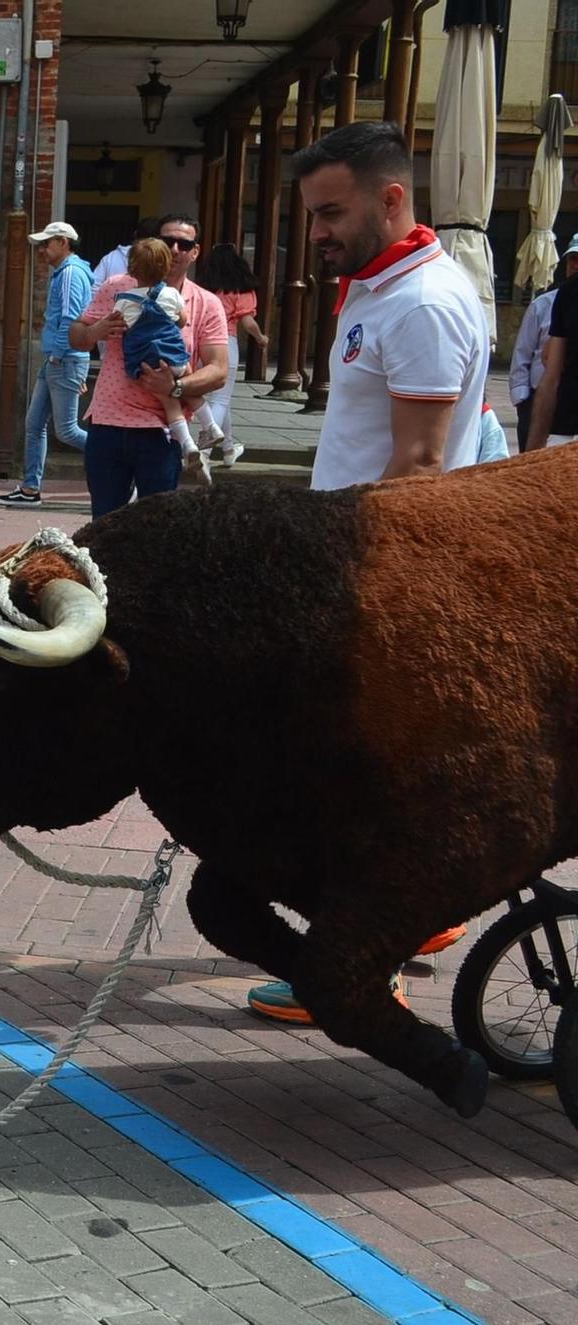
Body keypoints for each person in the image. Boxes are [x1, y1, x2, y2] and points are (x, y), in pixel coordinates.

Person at [249, 119, 484, 1024]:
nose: (317, 233)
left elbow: (420, 465)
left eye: (332, 213)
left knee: (348, 781)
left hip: (376, 572)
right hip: (350, 558)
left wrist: (345, 586)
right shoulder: (379, 286)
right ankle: (392, 936)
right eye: (312, 215)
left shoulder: (421, 303)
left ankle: (362, 968)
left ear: (394, 199)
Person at [66, 213, 230, 518]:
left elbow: (218, 370)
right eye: (169, 241)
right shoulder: (117, 288)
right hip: (109, 424)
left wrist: (176, 386)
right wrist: (95, 331)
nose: (176, 249)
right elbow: (76, 335)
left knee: (155, 527)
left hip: (161, 432)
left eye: (185, 244)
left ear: (196, 251)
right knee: (104, 522)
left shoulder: (206, 303)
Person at [99, 238, 219, 487]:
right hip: (174, 355)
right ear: (165, 268)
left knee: (168, 400)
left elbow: (121, 325)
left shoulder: (124, 300)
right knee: (186, 384)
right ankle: (211, 426)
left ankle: (187, 444)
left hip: (145, 361)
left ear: (132, 270)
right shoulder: (172, 294)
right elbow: (182, 320)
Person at [4, 220, 92, 505]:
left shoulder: (69, 274)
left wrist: (60, 355)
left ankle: (116, 460)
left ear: (63, 242)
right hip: (58, 358)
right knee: (34, 424)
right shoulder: (69, 272)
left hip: (62, 358)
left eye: (47, 243)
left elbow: (70, 316)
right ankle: (30, 488)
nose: (43, 250)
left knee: (66, 430)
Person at [195, 242, 269, 466]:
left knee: (220, 400)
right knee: (221, 399)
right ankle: (204, 452)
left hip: (201, 342)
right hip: (226, 342)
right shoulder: (241, 289)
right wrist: (261, 338)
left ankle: (229, 450)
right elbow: (247, 321)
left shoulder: (204, 287)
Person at [509, 238, 578, 447]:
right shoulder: (560, 299)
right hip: (554, 413)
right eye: (572, 259)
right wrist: (523, 400)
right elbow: (528, 356)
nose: (575, 265)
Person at [92, 216, 157, 286]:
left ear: (135, 234)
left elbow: (94, 286)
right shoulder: (112, 258)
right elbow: (94, 286)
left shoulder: (111, 258)